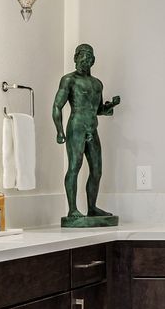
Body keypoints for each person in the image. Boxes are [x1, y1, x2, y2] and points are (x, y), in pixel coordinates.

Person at [52, 43, 121, 225]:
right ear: (75, 58)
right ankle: (73, 209)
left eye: (89, 57)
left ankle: (92, 207)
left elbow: (99, 110)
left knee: (97, 170)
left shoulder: (97, 84)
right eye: (82, 56)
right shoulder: (69, 80)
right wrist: (59, 131)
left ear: (93, 60)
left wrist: (110, 106)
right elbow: (57, 106)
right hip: (76, 127)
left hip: (92, 128)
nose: (85, 59)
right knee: (75, 166)